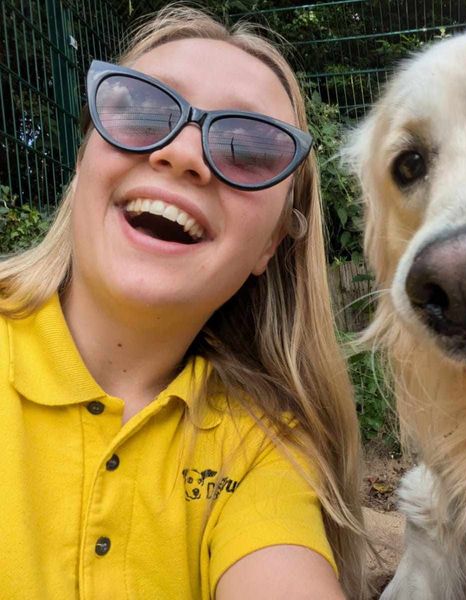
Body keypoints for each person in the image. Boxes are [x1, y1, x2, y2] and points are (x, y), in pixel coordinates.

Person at [0, 5, 366, 599]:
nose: (184, 155)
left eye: (249, 148)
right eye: (141, 110)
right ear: (86, 157)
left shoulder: (260, 446)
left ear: (272, 244)